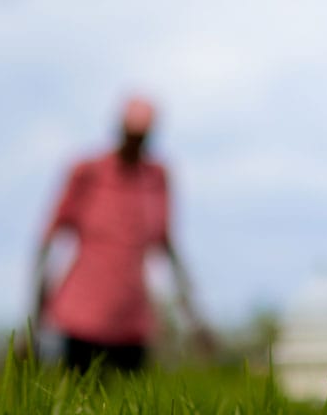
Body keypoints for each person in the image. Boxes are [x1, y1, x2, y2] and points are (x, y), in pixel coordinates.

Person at [33, 94, 210, 373]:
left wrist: (195, 319)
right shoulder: (87, 172)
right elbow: (47, 243)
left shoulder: (157, 178)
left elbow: (168, 248)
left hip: (132, 320)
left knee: (128, 403)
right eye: (131, 134)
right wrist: (34, 318)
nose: (135, 143)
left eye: (142, 136)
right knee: (81, 399)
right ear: (119, 130)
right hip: (82, 318)